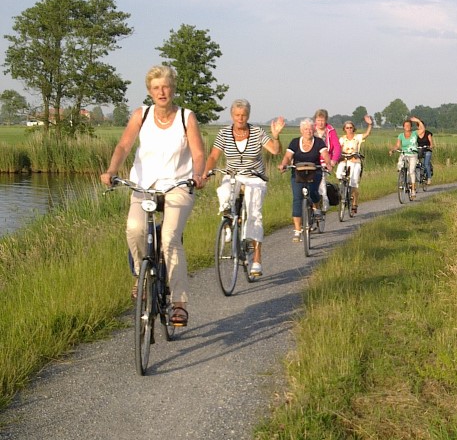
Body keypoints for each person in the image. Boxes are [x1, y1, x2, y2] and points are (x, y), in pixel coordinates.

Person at [100, 65, 206, 328]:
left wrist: (199, 174)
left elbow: (199, 153)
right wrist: (112, 170)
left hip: (177, 185)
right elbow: (124, 145)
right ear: (149, 91)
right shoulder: (141, 115)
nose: (162, 92)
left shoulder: (186, 117)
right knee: (134, 228)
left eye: (166, 86)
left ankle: (179, 303)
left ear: (173, 88)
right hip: (144, 185)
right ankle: (141, 275)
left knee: (170, 238)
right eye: (156, 87)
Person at [204, 99, 284, 278]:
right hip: (233, 175)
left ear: (248, 116)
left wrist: (276, 136)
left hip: (255, 177)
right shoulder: (224, 133)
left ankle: (256, 259)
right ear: (232, 116)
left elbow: (275, 151)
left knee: (254, 214)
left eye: (244, 115)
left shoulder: (256, 131)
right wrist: (206, 172)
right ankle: (228, 222)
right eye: (237, 115)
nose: (240, 118)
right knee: (224, 191)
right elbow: (213, 156)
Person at [279, 118, 332, 241]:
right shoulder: (295, 142)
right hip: (298, 173)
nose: (308, 131)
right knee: (297, 198)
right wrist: (283, 165)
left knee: (313, 192)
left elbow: (325, 155)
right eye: (305, 129)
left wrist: (328, 164)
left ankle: (316, 207)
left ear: (313, 129)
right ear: (301, 130)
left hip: (315, 172)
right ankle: (297, 230)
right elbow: (287, 156)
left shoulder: (318, 142)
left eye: (310, 128)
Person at [336, 115, 373, 214]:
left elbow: (367, 134)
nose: (349, 129)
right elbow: (337, 149)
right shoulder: (342, 139)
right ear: (344, 129)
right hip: (344, 161)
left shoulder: (357, 137)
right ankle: (343, 191)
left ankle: (354, 203)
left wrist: (370, 124)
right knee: (339, 174)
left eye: (351, 127)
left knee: (353, 182)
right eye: (347, 128)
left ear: (353, 128)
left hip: (355, 161)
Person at [313, 109, 341, 212]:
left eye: (322, 120)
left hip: (325, 162)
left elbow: (337, 147)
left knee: (321, 184)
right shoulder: (311, 129)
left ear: (326, 120)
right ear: (315, 120)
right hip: (311, 161)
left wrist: (333, 160)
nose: (320, 122)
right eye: (318, 120)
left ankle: (323, 204)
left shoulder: (330, 130)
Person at [391, 117, 423, 198]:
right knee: (400, 165)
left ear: (411, 127)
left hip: (413, 154)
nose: (407, 127)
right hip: (404, 153)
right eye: (406, 125)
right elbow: (397, 145)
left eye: (409, 125)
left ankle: (412, 189)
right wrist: (393, 150)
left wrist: (418, 121)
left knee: (411, 171)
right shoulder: (401, 135)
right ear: (403, 127)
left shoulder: (415, 133)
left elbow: (422, 130)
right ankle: (402, 177)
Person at [416, 119, 435, 185]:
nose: (421, 128)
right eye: (419, 126)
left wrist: (431, 146)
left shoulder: (428, 133)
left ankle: (429, 177)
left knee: (426, 163)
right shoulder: (416, 134)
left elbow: (431, 141)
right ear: (417, 127)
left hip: (427, 149)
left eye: (422, 126)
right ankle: (418, 176)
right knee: (416, 163)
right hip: (419, 149)